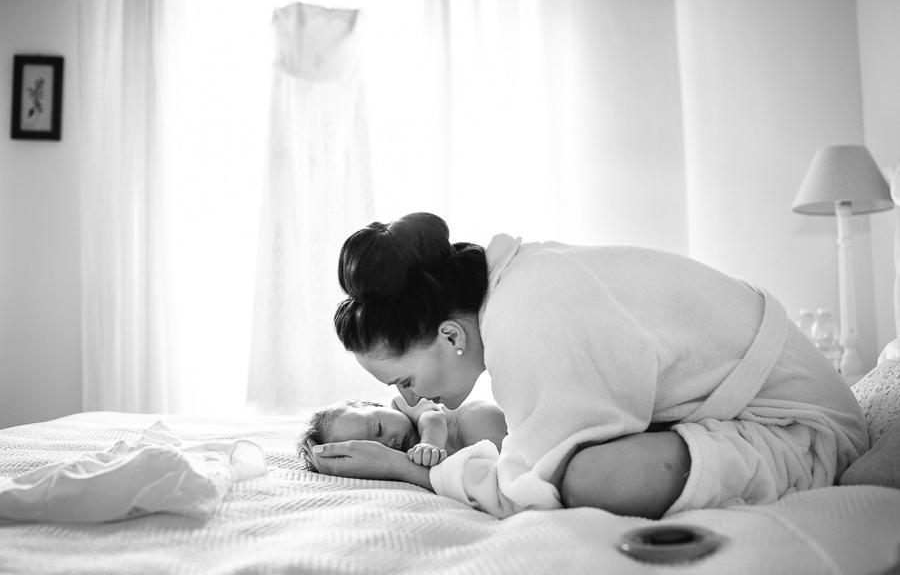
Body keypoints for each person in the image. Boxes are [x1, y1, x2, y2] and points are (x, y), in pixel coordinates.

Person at [305, 212, 869, 520]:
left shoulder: (524, 314)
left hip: (799, 429)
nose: (408, 399)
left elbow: (530, 487)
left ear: (450, 334)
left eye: (404, 380)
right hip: (734, 409)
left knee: (590, 478)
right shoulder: (517, 285)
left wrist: (412, 471)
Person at [299, 396, 506, 470]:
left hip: (514, 425)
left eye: (379, 428)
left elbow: (433, 417)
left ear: (371, 404)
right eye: (377, 448)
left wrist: (429, 444)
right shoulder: (409, 461)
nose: (390, 442)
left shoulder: (406, 403)